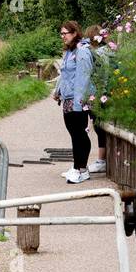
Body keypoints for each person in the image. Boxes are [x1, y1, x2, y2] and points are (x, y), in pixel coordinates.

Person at [52, 21, 95, 183]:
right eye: (61, 34)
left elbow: (83, 79)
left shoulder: (82, 52)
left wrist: (79, 103)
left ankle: (81, 169)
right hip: (68, 99)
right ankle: (78, 166)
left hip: (78, 101)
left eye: (65, 33)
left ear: (75, 33)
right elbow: (64, 74)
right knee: (74, 134)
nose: (63, 36)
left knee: (80, 135)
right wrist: (58, 92)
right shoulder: (70, 52)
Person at [82, 24, 108, 175]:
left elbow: (98, 75)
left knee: (99, 126)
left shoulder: (98, 53)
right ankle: (101, 160)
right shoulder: (106, 51)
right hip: (101, 93)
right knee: (99, 127)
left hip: (98, 94)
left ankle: (101, 161)